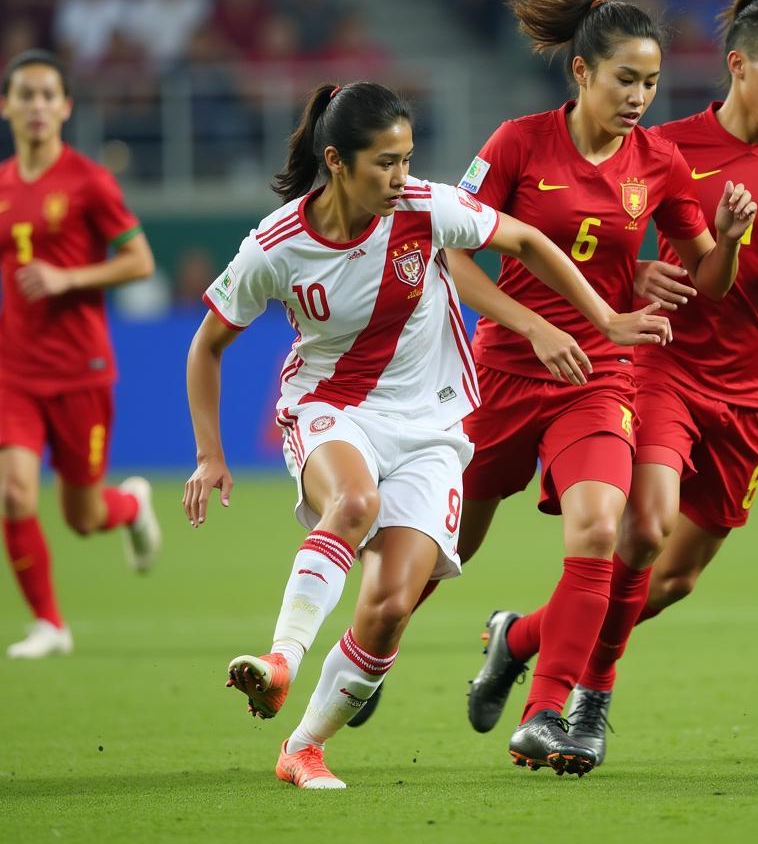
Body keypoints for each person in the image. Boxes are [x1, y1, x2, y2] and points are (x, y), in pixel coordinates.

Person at [182, 79, 673, 790]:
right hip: (331, 407)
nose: (401, 176)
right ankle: (282, 660)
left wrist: (602, 320)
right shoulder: (276, 245)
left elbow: (527, 239)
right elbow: (206, 346)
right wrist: (209, 454)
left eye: (407, 158)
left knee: (386, 612)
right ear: (338, 161)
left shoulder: (425, 207)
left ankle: (304, 748)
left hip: (435, 428)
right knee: (352, 505)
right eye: (385, 162)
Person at [440, 0, 756, 778]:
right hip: (504, 370)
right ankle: (365, 659)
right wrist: (535, 325)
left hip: (601, 373)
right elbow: (454, 260)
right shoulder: (517, 142)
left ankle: (551, 712)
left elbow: (707, 283)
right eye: (626, 79)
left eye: (652, 82)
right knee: (445, 550)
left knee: (608, 534)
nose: (640, 97)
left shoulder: (659, 162)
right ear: (582, 72)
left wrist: (725, 239)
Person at [564, 0, 758, 765]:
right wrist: (634, 281)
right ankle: (589, 694)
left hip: (755, 390)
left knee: (674, 580)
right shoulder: (665, 149)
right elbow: (607, 243)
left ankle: (530, 635)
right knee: (646, 524)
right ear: (739, 66)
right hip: (667, 366)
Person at [0, 48, 160, 659]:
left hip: (80, 370)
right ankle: (49, 625)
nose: (37, 106)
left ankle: (130, 504)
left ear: (65, 107)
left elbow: (139, 261)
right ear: (8, 106)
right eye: (26, 95)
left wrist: (68, 279)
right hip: (17, 369)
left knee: (83, 516)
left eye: (47, 95)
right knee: (15, 492)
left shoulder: (89, 181)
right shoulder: (5, 187)